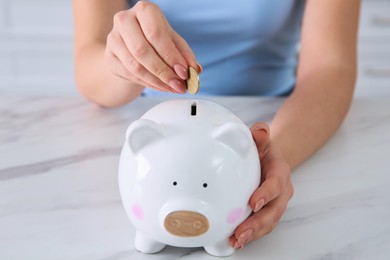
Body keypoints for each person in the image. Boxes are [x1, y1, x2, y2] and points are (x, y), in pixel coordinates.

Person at [72, 0, 360, 249]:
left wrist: (267, 154)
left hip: (279, 118)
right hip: (150, 114)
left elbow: (331, 66)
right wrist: (123, 63)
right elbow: (88, 68)